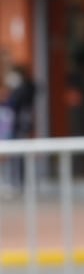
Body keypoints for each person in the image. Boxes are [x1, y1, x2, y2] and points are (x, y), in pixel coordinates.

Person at [0, 62, 36, 194]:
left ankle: (18, 183)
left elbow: (13, 104)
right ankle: (13, 181)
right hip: (12, 127)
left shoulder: (25, 89)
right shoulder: (19, 89)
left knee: (18, 156)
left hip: (19, 127)